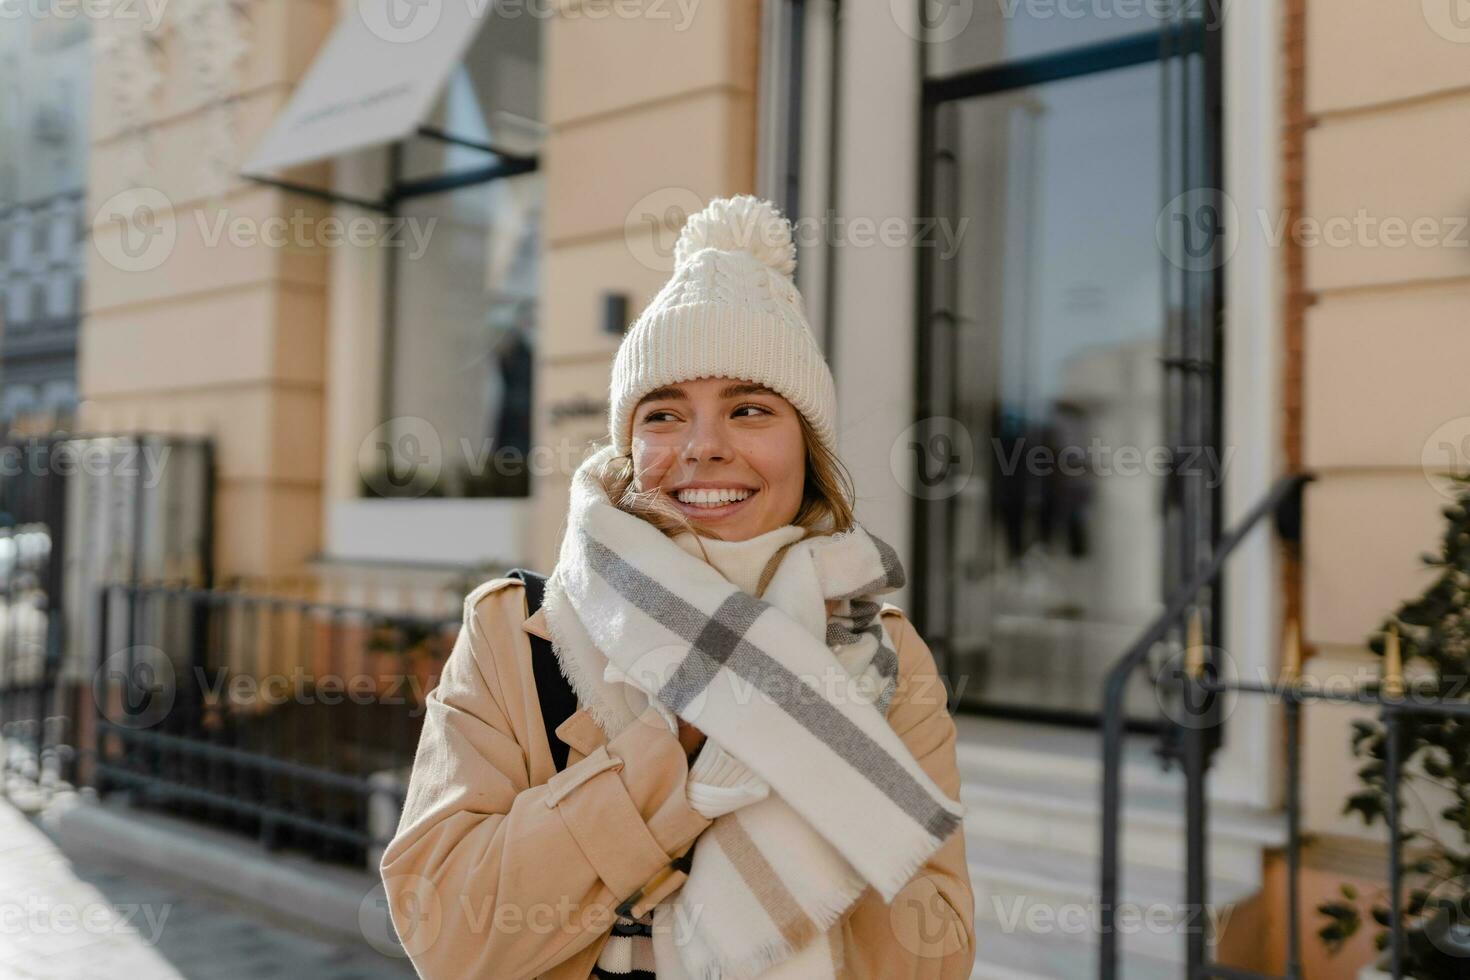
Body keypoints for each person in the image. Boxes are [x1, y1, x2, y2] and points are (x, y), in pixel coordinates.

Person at [380, 195, 975, 979]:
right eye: (663, 415)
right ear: (628, 446)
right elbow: (446, 932)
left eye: (750, 409)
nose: (702, 448)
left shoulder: (882, 654)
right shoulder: (516, 630)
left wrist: (814, 744)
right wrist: (679, 745)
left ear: (808, 450)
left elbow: (939, 952)